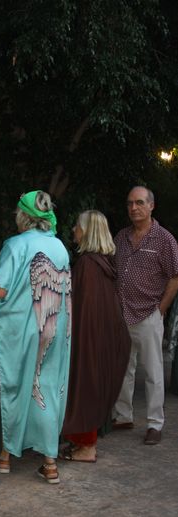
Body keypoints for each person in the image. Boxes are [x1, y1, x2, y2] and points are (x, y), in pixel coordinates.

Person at [0, 190, 71, 484]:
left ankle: (5, 458)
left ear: (23, 215)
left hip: (20, 329)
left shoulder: (15, 244)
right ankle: (50, 463)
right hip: (54, 328)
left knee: (16, 388)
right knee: (46, 389)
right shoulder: (60, 246)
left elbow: (1, 290)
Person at [60, 210, 131, 462]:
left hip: (90, 338)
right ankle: (82, 444)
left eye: (78, 226)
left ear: (88, 231)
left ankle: (87, 448)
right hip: (105, 336)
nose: (74, 230)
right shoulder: (103, 262)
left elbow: (82, 309)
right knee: (91, 387)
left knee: (85, 388)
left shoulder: (88, 265)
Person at [112, 186, 178, 444]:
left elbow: (175, 277)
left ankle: (154, 424)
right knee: (123, 368)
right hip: (122, 313)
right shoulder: (121, 237)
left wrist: (160, 310)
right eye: (130, 203)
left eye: (139, 203)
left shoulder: (165, 239)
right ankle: (123, 416)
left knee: (152, 372)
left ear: (151, 206)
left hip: (149, 314)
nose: (134, 208)